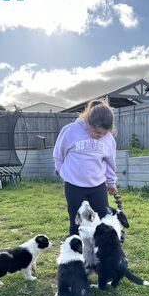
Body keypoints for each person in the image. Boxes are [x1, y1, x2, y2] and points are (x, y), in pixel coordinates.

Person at [53, 99, 117, 235]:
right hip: (74, 186)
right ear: (88, 122)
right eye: (98, 132)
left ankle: (100, 251)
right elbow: (59, 155)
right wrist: (61, 171)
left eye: (104, 134)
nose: (100, 136)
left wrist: (111, 183)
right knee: (76, 221)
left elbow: (110, 163)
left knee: (102, 220)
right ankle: (76, 253)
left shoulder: (109, 139)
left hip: (98, 186)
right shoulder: (70, 131)